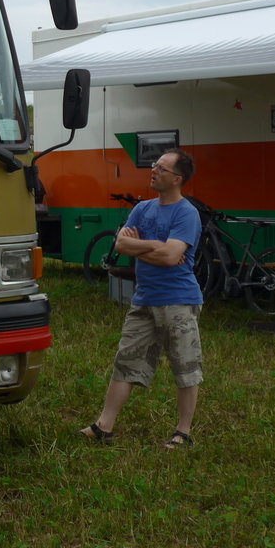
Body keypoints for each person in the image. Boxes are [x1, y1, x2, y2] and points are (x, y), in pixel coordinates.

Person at [80, 148, 204, 450]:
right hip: (144, 299)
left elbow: (172, 255)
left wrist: (141, 246)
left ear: (177, 178)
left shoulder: (186, 213)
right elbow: (120, 244)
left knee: (184, 366)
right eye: (154, 165)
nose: (153, 170)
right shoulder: (142, 208)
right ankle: (103, 426)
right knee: (126, 360)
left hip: (178, 300)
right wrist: (152, 245)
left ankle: (182, 432)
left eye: (161, 168)